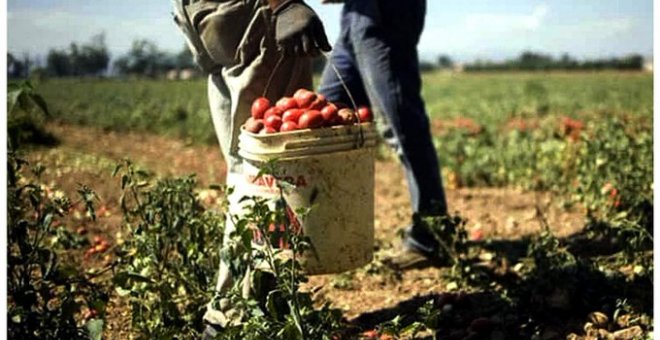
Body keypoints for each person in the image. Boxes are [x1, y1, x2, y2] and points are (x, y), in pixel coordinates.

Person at [172, 0, 331, 337]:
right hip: (250, 9)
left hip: (202, 12)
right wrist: (284, 3)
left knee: (248, 166)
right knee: (273, 170)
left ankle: (262, 303)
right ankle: (235, 315)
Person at [317, 0, 450, 268]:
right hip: (354, 15)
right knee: (326, 114)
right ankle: (325, 232)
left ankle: (431, 238)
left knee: (401, 124)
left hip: (387, 13)